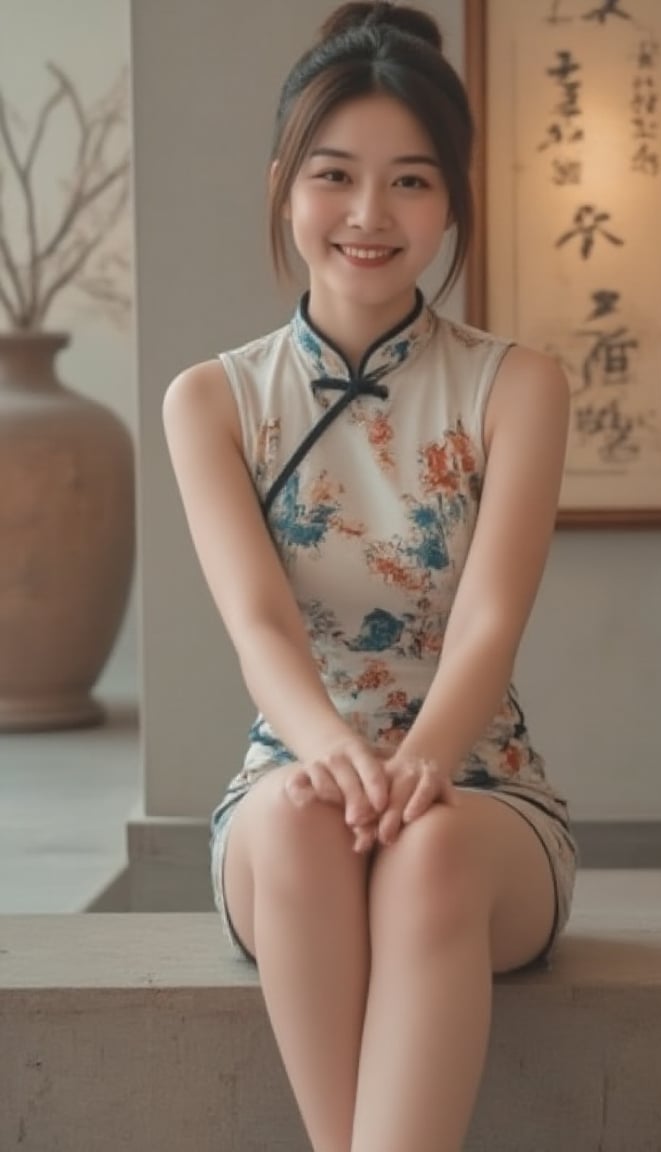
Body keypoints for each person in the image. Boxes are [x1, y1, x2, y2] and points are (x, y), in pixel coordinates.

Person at [163, 3, 577, 1149]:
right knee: (300, 816)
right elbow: (257, 626)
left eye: (411, 181)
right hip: (289, 797)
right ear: (286, 186)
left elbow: (489, 624)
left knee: (429, 845)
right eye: (336, 175)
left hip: (481, 797)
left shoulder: (518, 387)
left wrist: (418, 771)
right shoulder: (213, 401)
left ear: (452, 201)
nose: (367, 215)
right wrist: (335, 753)